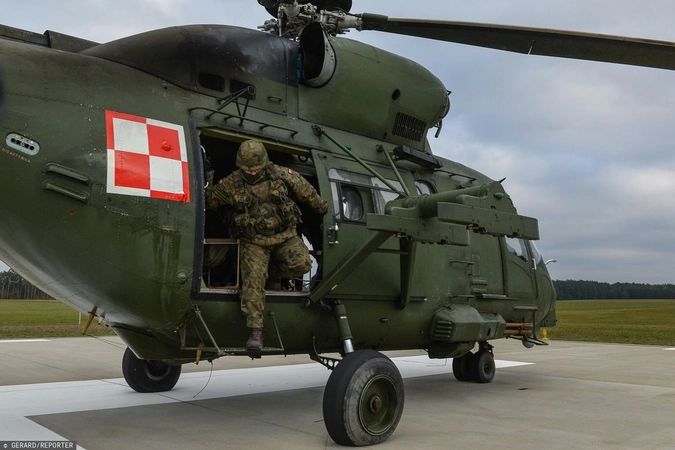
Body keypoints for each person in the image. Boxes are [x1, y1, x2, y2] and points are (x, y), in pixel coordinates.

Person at [205, 140, 328, 351]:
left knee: (302, 264)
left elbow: (306, 191)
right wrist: (207, 173)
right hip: (254, 241)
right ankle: (256, 331)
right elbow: (209, 201)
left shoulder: (282, 175)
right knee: (253, 282)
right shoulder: (232, 183)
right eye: (247, 169)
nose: (252, 173)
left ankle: (271, 274)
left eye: (256, 168)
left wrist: (322, 208)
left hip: (285, 236)